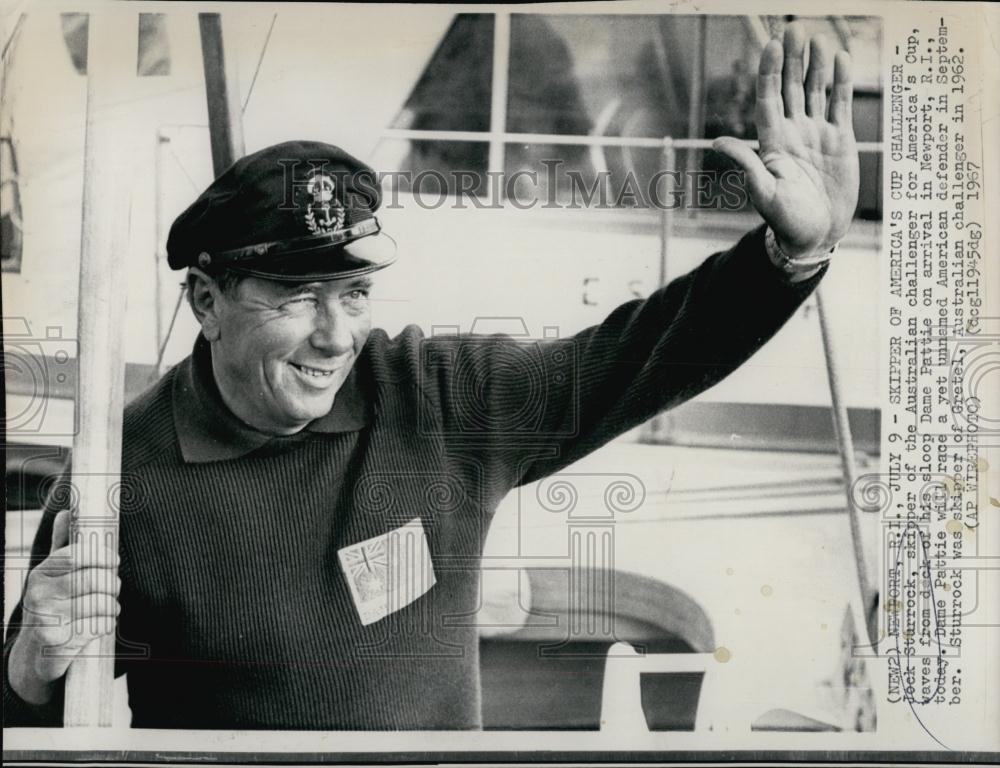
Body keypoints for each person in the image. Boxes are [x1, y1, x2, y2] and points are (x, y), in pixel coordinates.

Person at [4, 24, 859, 729]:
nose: (336, 337)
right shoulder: (120, 482)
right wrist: (31, 672)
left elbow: (631, 360)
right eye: (299, 297)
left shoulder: (436, 397)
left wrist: (790, 254)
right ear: (205, 298)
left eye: (356, 293)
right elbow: (22, 727)